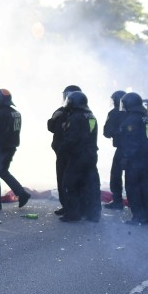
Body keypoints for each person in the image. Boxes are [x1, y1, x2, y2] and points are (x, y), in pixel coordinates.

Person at [57, 91, 101, 222]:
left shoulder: (75, 117)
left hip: (78, 155)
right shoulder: (90, 115)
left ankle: (73, 214)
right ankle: (93, 214)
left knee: (70, 184)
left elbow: (72, 139)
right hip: (91, 155)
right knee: (90, 184)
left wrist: (62, 150)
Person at [0, 88, 30, 210]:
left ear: (1, 100)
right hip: (11, 147)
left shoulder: (0, 114)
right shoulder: (15, 113)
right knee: (3, 172)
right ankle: (22, 194)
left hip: (3, 148)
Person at [118, 92, 148, 225]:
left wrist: (126, 158)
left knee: (132, 187)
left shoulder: (131, 119)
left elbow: (131, 141)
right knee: (144, 186)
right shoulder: (147, 117)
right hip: (146, 157)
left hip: (135, 159)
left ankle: (138, 217)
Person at [47, 85, 82, 215]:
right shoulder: (61, 110)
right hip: (60, 151)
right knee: (61, 179)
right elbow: (51, 127)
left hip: (71, 152)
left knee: (70, 181)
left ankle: (73, 208)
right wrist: (54, 118)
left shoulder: (77, 112)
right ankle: (65, 205)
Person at [102, 90, 127, 210]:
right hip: (137, 149)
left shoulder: (114, 113)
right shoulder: (138, 112)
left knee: (116, 175)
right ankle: (137, 201)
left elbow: (107, 132)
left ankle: (117, 202)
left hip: (122, 149)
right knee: (135, 176)